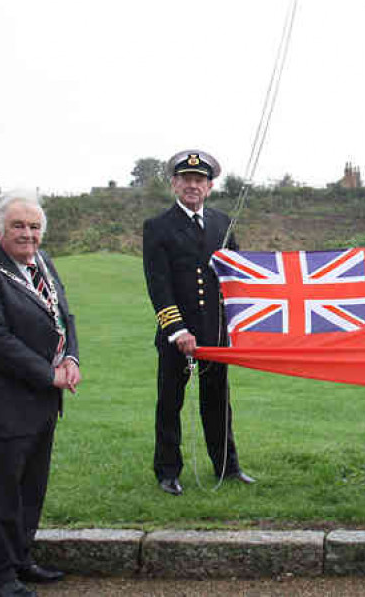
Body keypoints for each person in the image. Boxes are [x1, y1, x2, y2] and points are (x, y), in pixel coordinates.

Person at [0, 190, 82, 597]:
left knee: (32, 488)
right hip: (2, 405)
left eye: (34, 227)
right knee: (2, 495)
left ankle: (21, 560)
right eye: (18, 225)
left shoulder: (43, 263)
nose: (28, 234)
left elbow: (64, 316)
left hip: (42, 405)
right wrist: (48, 375)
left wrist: (71, 359)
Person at [142, 149, 255, 496]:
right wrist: (177, 330)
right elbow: (158, 284)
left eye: (199, 180)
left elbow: (235, 277)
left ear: (209, 187)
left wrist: (237, 324)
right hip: (179, 334)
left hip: (215, 333)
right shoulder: (158, 227)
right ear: (175, 184)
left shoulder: (223, 223)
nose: (193, 185)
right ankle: (167, 472)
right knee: (170, 403)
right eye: (186, 179)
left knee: (218, 402)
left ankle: (227, 465)